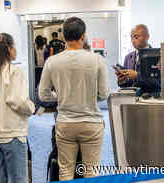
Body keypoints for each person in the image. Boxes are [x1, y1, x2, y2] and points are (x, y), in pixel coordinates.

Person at [39, 17, 108, 180]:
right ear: (83, 36)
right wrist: (88, 95)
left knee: (65, 171)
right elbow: (104, 93)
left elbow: (43, 94)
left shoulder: (52, 61)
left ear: (63, 37)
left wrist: (60, 96)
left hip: (65, 123)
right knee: (91, 172)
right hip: (91, 123)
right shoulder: (97, 60)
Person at [0, 33, 35, 183]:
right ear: (9, 50)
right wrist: (31, 107)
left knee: (1, 179)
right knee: (18, 179)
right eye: (14, 46)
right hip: (11, 135)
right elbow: (18, 101)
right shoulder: (14, 71)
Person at [116, 24, 160, 93]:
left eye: (136, 37)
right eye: (131, 37)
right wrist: (122, 80)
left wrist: (137, 76)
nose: (133, 40)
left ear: (147, 37)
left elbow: (158, 83)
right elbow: (126, 85)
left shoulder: (157, 56)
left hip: (151, 99)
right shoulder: (128, 57)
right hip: (131, 99)